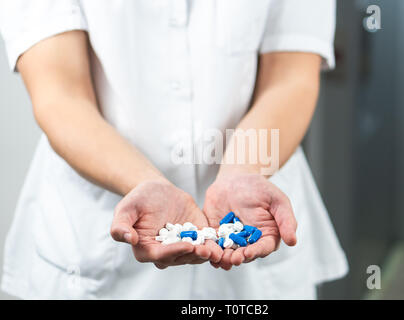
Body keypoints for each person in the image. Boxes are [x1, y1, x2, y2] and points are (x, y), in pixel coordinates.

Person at [0, 0, 348, 299]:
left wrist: (244, 172)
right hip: (92, 231)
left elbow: (290, 80)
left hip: (253, 222)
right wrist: (142, 182)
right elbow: (60, 95)